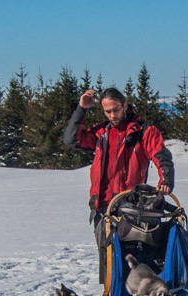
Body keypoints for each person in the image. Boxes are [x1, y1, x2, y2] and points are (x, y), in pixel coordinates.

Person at [63, 87, 175, 282]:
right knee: (108, 260)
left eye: (116, 110)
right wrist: (82, 109)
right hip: (102, 207)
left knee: (133, 260)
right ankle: (111, 295)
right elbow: (71, 140)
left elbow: (161, 155)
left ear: (125, 105)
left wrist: (165, 179)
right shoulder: (101, 133)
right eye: (107, 111)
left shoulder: (143, 131)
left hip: (132, 207)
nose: (112, 115)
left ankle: (140, 293)